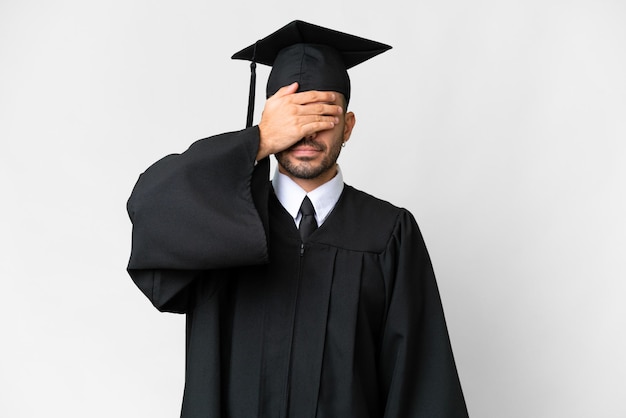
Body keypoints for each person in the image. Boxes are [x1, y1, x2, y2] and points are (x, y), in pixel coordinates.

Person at [127, 20, 469, 418]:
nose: (306, 133)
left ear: (348, 126)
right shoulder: (218, 220)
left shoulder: (388, 234)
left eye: (322, 115)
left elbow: (422, 384)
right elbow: (149, 209)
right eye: (294, 117)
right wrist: (257, 141)